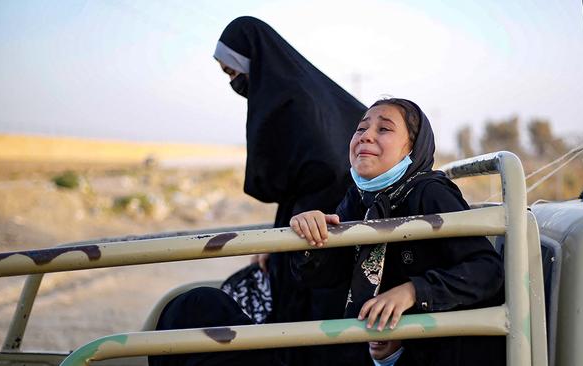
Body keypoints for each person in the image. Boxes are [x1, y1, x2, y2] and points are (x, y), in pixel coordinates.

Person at [149, 16, 366, 366]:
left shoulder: (294, 101)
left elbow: (325, 169)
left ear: (254, 59)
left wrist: (290, 239)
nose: (234, 82)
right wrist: (277, 240)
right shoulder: (299, 91)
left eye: (232, 71)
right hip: (307, 222)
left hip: (322, 229)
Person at [290, 98, 506, 365]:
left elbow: (487, 270)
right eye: (361, 129)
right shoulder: (359, 198)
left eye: (384, 129)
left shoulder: (431, 193)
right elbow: (328, 274)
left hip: (454, 350)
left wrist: (414, 292)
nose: (366, 136)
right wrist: (311, 237)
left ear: (411, 149)